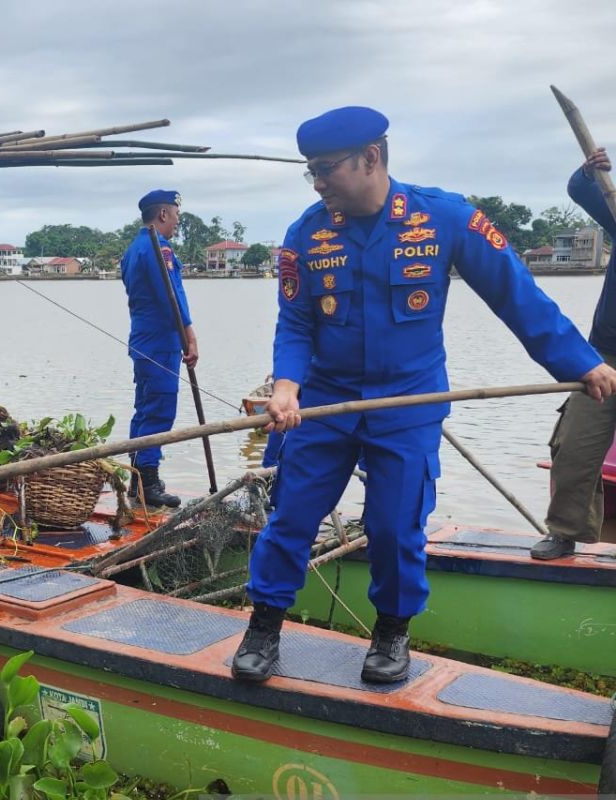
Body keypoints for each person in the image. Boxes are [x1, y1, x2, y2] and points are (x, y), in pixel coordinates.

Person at [231, 106, 616, 685]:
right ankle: (264, 626)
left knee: (394, 525)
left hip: (407, 404)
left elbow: (518, 297)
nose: (317, 182)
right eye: (309, 171)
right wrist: (287, 383)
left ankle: (391, 631)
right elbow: (296, 323)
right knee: (292, 517)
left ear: (372, 158)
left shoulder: (446, 218)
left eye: (326, 168)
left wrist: (583, 362)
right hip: (326, 402)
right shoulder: (306, 233)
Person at [535, 147, 616, 560]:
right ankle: (564, 532)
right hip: (604, 356)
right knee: (574, 444)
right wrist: (590, 174)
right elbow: (581, 191)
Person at [120, 189, 198, 509]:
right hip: (160, 344)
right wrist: (190, 335)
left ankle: (138, 479)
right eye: (176, 214)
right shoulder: (157, 248)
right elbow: (173, 297)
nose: (178, 221)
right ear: (163, 214)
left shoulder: (132, 250)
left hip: (144, 341)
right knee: (159, 411)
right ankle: (148, 482)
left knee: (144, 410)